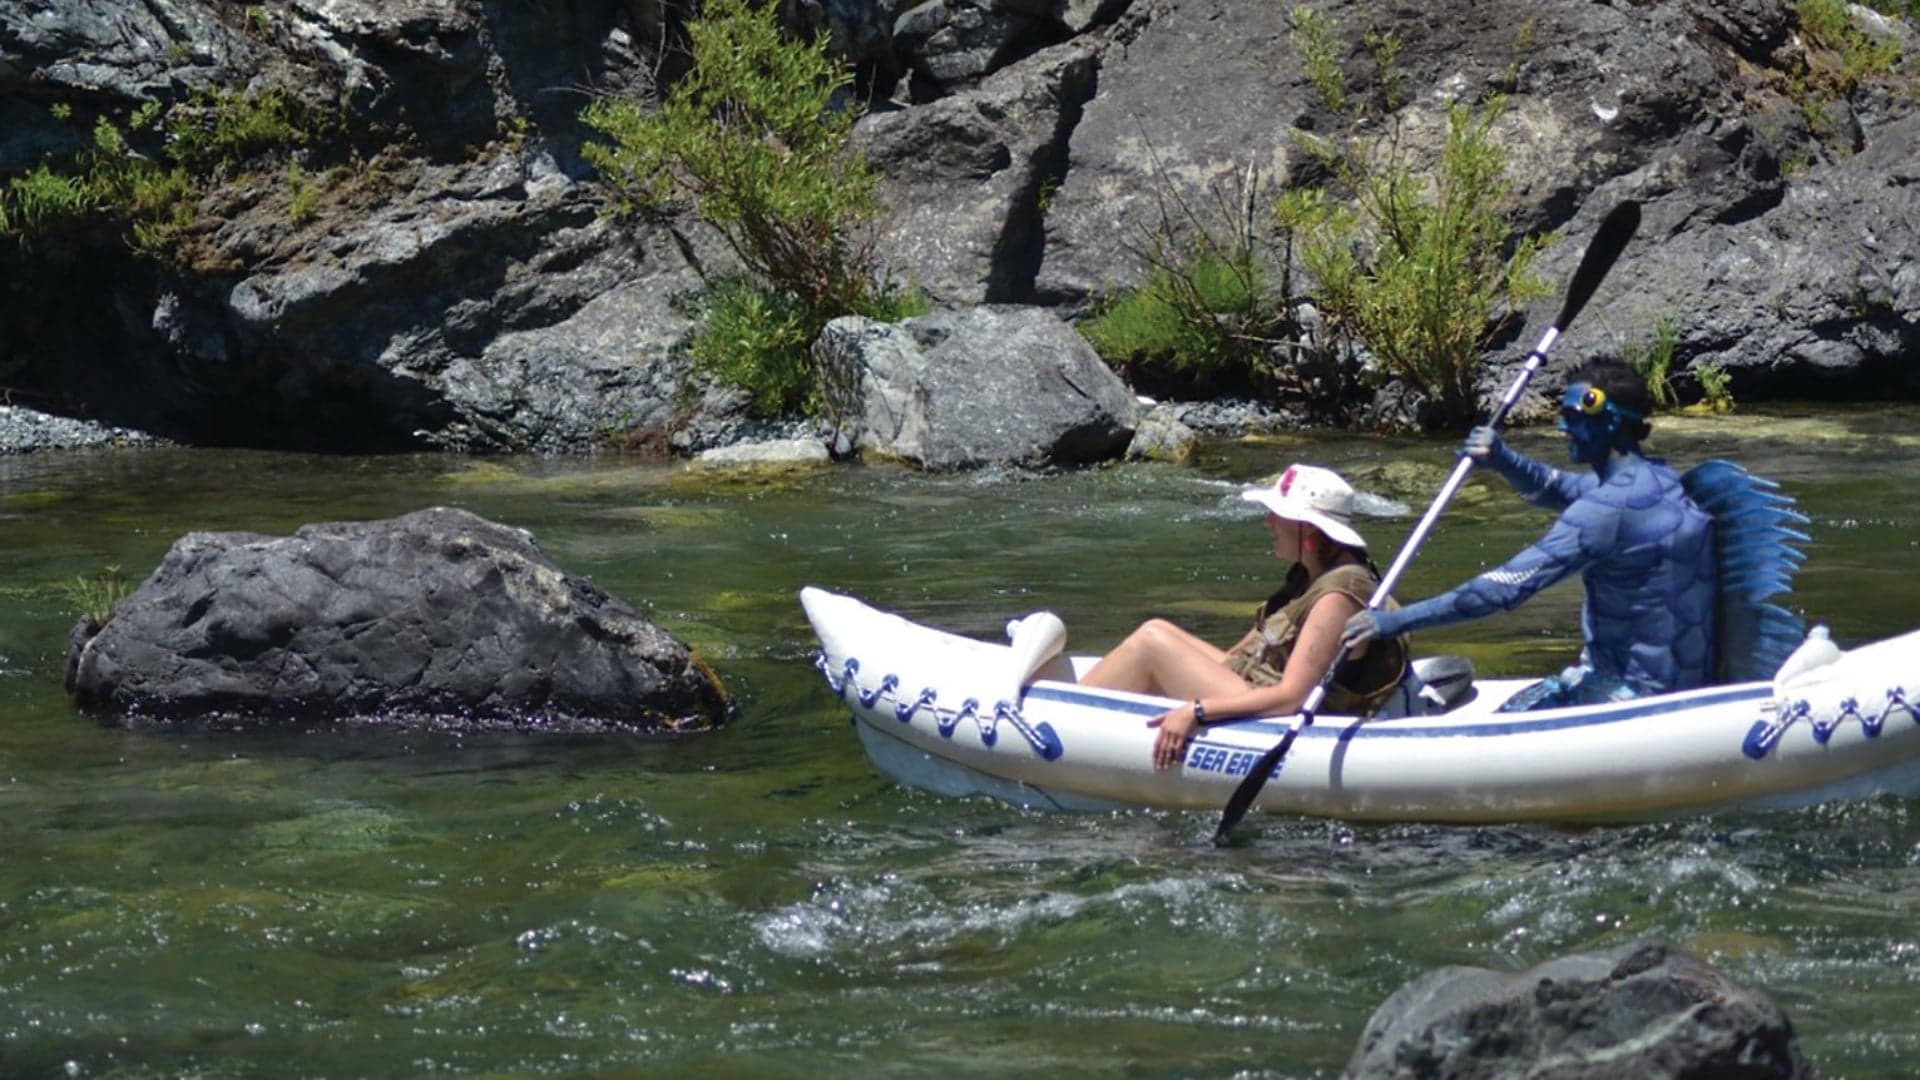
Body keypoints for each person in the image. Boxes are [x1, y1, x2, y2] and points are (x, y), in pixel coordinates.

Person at [1343, 360, 1715, 711]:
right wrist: (1505, 459)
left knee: (1494, 733)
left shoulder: (1605, 511)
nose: (1561, 427)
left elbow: (1502, 589)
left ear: (1611, 421)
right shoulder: (1661, 484)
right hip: (1684, 686)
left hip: (1622, 696)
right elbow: (1560, 489)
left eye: (1571, 417)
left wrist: (1394, 622)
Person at [1079, 463, 1410, 771]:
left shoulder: (1338, 594)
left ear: (1307, 529)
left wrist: (1196, 710)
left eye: (1278, 514)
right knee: (1156, 628)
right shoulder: (1308, 576)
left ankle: (1063, 720)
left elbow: (1292, 697)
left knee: (1152, 645)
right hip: (1255, 684)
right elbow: (1240, 655)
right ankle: (1076, 708)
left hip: (1289, 717)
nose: (1268, 520)